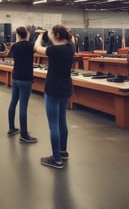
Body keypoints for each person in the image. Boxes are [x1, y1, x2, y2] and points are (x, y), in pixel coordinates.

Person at [34, 25, 74, 169]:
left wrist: (40, 35)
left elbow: (37, 48)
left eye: (51, 33)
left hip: (53, 89)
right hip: (66, 88)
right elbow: (69, 38)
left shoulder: (54, 50)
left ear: (56, 34)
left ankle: (56, 159)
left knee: (53, 124)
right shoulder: (70, 47)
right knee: (62, 120)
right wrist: (48, 34)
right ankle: (63, 151)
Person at [7, 26, 37, 143]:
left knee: (13, 102)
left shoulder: (14, 46)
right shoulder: (31, 45)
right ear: (27, 35)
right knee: (23, 106)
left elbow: (14, 44)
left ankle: (11, 128)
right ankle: (24, 135)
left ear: (17, 35)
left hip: (15, 77)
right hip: (26, 79)